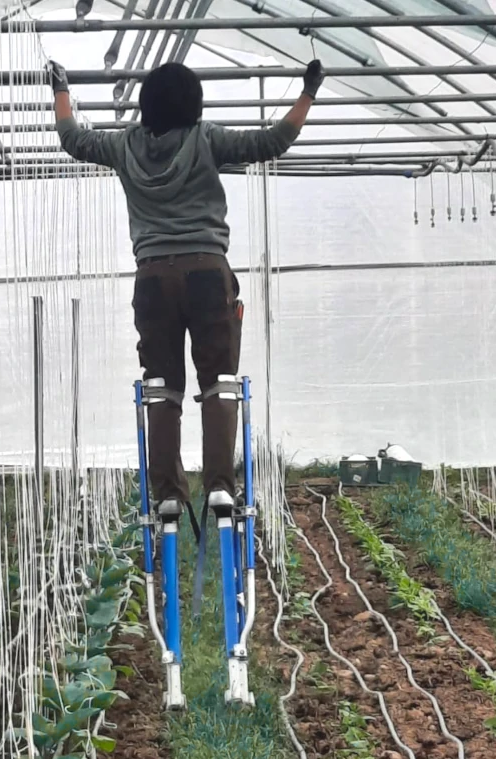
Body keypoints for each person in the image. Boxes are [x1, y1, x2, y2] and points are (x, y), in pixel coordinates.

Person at [49, 59, 323, 520]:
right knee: (218, 380)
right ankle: (219, 486)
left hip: (152, 276)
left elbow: (73, 140)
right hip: (206, 271)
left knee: (162, 387)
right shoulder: (206, 139)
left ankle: (169, 493)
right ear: (193, 103)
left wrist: (61, 90)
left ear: (146, 105)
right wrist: (308, 93)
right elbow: (273, 140)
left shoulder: (123, 145)